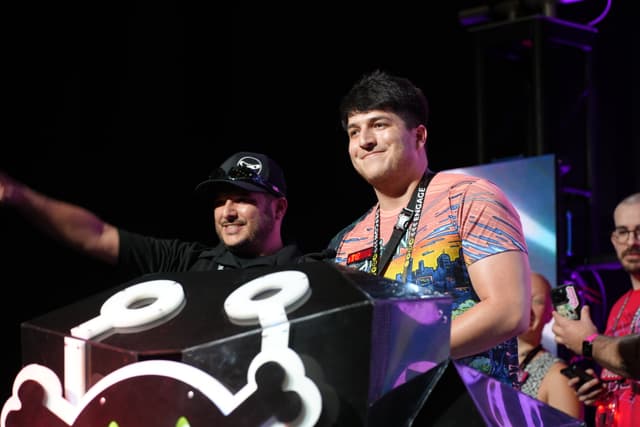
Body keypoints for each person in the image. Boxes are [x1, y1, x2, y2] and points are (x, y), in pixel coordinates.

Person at [327, 70, 531, 387]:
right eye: (354, 132)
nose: (364, 141)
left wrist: (403, 355)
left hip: (468, 408)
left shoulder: (470, 197)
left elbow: (509, 310)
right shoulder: (349, 240)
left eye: (379, 125)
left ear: (419, 136)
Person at [0, 151, 318, 278]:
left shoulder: (310, 275)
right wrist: (18, 195)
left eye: (241, 199)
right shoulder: (186, 262)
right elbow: (95, 236)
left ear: (279, 208)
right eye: (220, 202)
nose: (228, 212)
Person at [552, 192, 640, 426]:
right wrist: (602, 392)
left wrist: (587, 342)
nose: (632, 241)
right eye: (623, 232)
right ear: (613, 239)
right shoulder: (618, 306)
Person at [517, 272, 583, 418]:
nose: (528, 308)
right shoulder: (485, 363)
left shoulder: (559, 377)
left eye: (538, 301)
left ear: (549, 313)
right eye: (521, 296)